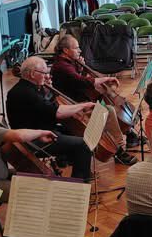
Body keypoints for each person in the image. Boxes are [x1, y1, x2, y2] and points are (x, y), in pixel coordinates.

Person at [50, 35, 137, 165]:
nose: (79, 50)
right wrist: (103, 79)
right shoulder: (61, 66)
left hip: (80, 101)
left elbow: (79, 82)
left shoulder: (70, 63)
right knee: (108, 111)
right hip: (73, 106)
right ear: (66, 50)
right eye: (76, 48)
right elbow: (80, 81)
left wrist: (82, 68)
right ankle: (119, 150)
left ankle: (122, 143)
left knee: (109, 110)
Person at [6, 56, 94, 182]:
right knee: (84, 144)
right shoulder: (26, 93)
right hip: (34, 141)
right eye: (44, 73)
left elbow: (46, 108)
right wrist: (84, 105)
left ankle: (80, 168)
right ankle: (79, 185)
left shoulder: (31, 88)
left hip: (41, 131)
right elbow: (57, 112)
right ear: (32, 74)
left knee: (73, 132)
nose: (47, 76)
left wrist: (47, 91)